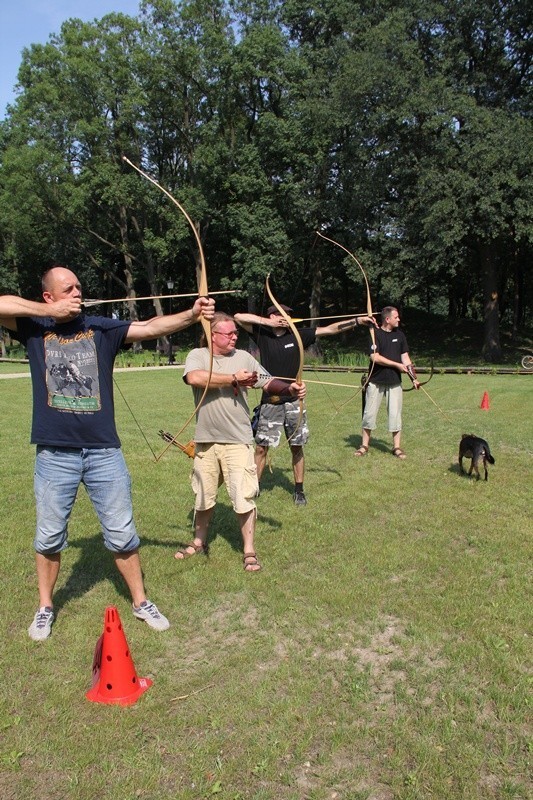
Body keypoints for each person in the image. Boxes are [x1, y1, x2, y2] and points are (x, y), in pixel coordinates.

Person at [0, 265, 215, 640]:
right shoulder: (35, 327)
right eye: (67, 289)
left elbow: (151, 328)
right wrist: (47, 313)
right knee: (49, 536)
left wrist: (192, 313)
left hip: (103, 452)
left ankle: (140, 601)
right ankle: (45, 607)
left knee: (122, 533)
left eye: (79, 287)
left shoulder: (99, 327)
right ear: (48, 296)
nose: (77, 293)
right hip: (55, 453)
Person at [175, 312, 306, 571]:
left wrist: (289, 389)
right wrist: (234, 379)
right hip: (206, 441)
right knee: (203, 497)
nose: (235, 336)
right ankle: (198, 542)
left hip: (238, 440)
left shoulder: (244, 357)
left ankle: (249, 551)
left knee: (243, 496)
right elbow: (195, 378)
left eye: (235, 332)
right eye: (229, 333)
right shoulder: (198, 356)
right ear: (212, 336)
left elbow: (268, 382)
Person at [234, 304, 376, 505]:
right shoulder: (262, 334)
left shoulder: (299, 334)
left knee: (297, 447)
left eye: (288, 314)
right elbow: (238, 316)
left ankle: (299, 490)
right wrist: (268, 323)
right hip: (271, 401)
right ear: (272, 316)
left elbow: (330, 329)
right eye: (281, 314)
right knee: (261, 448)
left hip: (294, 402)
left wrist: (357, 321)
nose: (286, 317)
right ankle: (254, 487)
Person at [354, 305, 420, 459]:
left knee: (395, 415)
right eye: (396, 317)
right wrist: (396, 365)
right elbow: (374, 357)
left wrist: (414, 378)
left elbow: (405, 358)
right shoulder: (374, 334)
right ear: (387, 319)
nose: (399, 319)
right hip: (376, 381)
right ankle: (364, 445)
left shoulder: (400, 335)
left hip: (394, 381)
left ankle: (396, 447)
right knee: (369, 414)